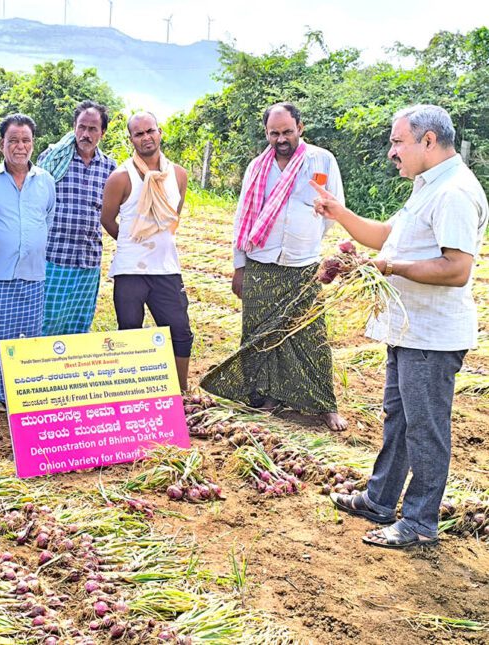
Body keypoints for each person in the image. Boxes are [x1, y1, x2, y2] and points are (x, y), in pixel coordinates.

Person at [314, 104, 488, 548]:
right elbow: (385, 236)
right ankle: (379, 498)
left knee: (425, 427)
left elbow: (456, 268)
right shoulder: (429, 186)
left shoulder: (454, 192)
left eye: (397, 142)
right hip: (409, 330)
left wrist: (389, 267)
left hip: (432, 335)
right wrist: (339, 213)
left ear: (428, 141)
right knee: (399, 419)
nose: (392, 151)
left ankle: (419, 522)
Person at [200, 103, 347, 431]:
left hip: (302, 264)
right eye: (274, 133)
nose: (281, 139)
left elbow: (334, 209)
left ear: (301, 128)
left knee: (312, 337)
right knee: (260, 335)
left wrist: (306, 241)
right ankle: (266, 398)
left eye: (287, 132)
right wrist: (240, 267)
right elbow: (242, 217)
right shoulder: (257, 167)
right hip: (260, 265)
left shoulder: (321, 161)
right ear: (266, 133)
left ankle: (324, 406)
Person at [100, 111, 192, 392]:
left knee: (180, 331)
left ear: (159, 132)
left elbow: (172, 218)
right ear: (131, 139)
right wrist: (130, 242)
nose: (146, 137)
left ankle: (181, 391)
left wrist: (155, 241)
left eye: (149, 131)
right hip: (131, 271)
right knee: (130, 333)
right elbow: (107, 219)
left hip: (166, 267)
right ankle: (132, 394)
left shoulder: (178, 174)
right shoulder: (120, 177)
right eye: (138, 134)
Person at [0, 114, 56, 414]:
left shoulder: (45, 181)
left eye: (25, 140)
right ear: (2, 144)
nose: (20, 147)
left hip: (34, 271)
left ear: (33, 143)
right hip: (0, 271)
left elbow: (47, 217)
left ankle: (20, 393)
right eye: (13, 141)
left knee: (29, 336)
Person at [37, 100, 116, 335]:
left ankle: (70, 372)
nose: (85, 134)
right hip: (54, 256)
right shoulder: (53, 160)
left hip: (88, 260)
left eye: (93, 129)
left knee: (79, 325)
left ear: (102, 132)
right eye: (81, 127)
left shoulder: (110, 168)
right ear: (74, 127)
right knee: (46, 322)